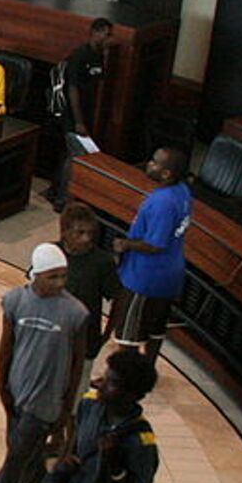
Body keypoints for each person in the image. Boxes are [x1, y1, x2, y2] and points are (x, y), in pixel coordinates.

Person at [0, 243, 88, 483]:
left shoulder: (75, 313)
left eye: (63, 276)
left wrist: (68, 405)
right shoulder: (15, 301)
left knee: (16, 459)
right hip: (17, 391)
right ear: (36, 274)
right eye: (52, 277)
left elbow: (78, 361)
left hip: (45, 400)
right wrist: (2, 384)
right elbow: (6, 347)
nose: (60, 283)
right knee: (27, 455)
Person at [108, 147, 191, 359]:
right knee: (155, 331)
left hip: (144, 277)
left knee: (129, 336)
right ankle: (146, 371)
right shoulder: (183, 191)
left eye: (155, 162)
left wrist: (125, 245)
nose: (149, 164)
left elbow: (155, 244)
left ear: (166, 174)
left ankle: (122, 379)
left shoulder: (162, 201)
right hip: (170, 274)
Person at [45, 349, 162, 483]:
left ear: (132, 394)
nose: (101, 385)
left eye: (112, 382)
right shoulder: (88, 405)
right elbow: (75, 445)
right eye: (104, 377)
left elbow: (142, 482)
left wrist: (115, 466)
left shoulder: (141, 441)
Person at [48, 19, 114, 210]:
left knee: (72, 155)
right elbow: (73, 89)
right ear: (95, 32)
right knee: (73, 156)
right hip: (73, 116)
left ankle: (57, 192)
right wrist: (78, 121)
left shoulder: (99, 56)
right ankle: (61, 198)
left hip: (88, 112)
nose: (109, 39)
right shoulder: (80, 56)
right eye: (107, 34)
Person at [58, 205, 121, 379]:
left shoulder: (102, 262)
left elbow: (118, 298)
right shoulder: (50, 253)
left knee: (76, 390)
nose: (87, 239)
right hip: (52, 339)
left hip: (85, 340)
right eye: (80, 233)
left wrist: (107, 333)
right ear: (64, 231)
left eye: (90, 233)